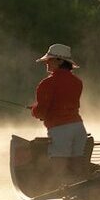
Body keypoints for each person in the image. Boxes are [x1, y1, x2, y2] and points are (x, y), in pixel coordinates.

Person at [30, 43, 87, 183]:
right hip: (79, 128)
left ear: (60, 61)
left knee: (59, 169)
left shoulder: (46, 84)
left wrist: (34, 110)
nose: (46, 63)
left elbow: (41, 113)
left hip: (61, 130)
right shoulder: (77, 82)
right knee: (77, 167)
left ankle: (65, 197)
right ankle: (80, 195)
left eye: (50, 59)